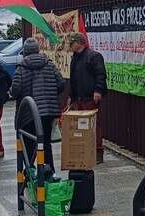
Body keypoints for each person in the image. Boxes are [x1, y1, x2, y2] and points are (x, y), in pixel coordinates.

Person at [10, 37, 64, 172]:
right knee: (45, 143)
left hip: (29, 113)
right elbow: (61, 84)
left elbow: (16, 90)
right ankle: (49, 172)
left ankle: (30, 172)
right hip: (47, 112)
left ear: (25, 51)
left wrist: (10, 92)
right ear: (38, 50)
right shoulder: (49, 64)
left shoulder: (22, 68)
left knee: (29, 143)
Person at [67, 33, 106, 163]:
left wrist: (98, 91)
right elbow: (73, 79)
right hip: (78, 98)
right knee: (80, 126)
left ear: (79, 43)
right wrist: (71, 97)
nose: (70, 45)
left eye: (72, 43)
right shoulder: (75, 58)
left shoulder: (94, 56)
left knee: (94, 125)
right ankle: (84, 151)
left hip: (90, 97)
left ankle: (97, 152)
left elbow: (101, 75)